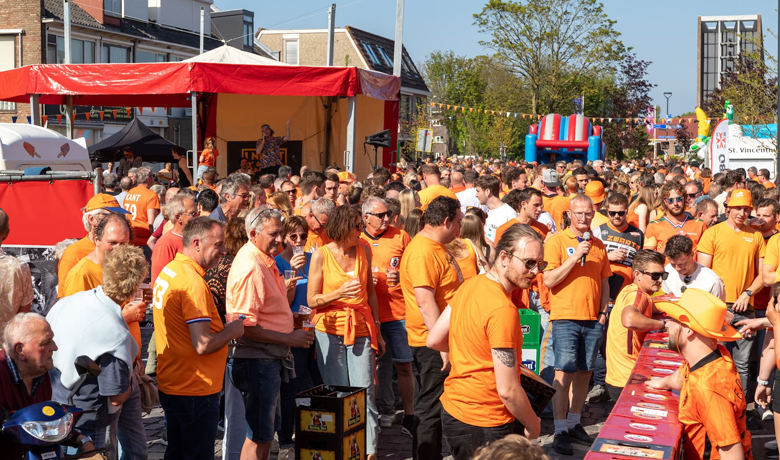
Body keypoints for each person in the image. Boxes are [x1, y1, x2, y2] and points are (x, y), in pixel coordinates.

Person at [426, 224, 543, 460]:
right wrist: (533, 425)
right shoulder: (503, 309)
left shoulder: (470, 285)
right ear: (504, 257)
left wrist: (472, 351)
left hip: (455, 410)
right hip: (487, 419)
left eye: (541, 264)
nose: (536, 271)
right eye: (529, 262)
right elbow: (507, 390)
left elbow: (435, 340)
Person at [154, 217, 245, 460]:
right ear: (196, 243)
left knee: (177, 452)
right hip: (195, 387)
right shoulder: (192, 282)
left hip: (176, 381)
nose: (224, 251)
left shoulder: (171, 270)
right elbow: (203, 344)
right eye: (218, 244)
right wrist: (233, 330)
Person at [225, 208, 313, 460]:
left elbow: (263, 310)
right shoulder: (251, 266)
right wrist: (288, 337)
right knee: (259, 435)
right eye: (274, 234)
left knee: (263, 433)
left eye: (281, 233)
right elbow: (244, 327)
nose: (281, 239)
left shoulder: (262, 258)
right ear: (253, 234)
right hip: (257, 360)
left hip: (265, 359)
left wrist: (289, 320)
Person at [48, 245, 148, 457]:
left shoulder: (70, 301)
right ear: (136, 285)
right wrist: (131, 382)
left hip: (57, 402)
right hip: (86, 416)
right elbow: (116, 397)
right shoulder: (115, 334)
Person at [308, 205, 385, 460]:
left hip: (361, 327)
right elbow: (312, 299)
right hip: (329, 330)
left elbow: (370, 293)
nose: (361, 231)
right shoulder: (321, 255)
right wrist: (338, 293)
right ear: (342, 228)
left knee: (365, 391)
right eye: (356, 226)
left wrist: (377, 328)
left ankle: (369, 452)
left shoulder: (364, 249)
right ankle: (342, 450)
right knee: (339, 392)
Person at [542, 194, 611, 455]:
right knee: (564, 372)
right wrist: (575, 256)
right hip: (565, 317)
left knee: (585, 372)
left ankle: (574, 423)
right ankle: (560, 429)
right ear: (569, 214)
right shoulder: (557, 241)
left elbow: (604, 282)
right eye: (578, 213)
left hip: (593, 318)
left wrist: (603, 312)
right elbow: (549, 280)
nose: (583, 218)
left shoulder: (598, 245)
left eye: (588, 213)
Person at [648, 289, 753, 460]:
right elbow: (683, 376)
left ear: (689, 330)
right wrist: (664, 382)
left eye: (673, 319)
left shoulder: (709, 388)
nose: (667, 324)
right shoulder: (713, 355)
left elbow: (733, 455)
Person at [399, 196, 463, 460]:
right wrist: (442, 346)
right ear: (445, 221)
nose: (460, 227)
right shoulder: (423, 252)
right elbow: (425, 303)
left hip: (441, 338)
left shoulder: (436, 246)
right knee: (430, 406)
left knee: (434, 404)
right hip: (432, 342)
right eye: (458, 222)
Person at [697, 188, 765, 417]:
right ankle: (716, 411)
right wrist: (714, 305)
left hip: (746, 309)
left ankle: (740, 413)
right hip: (717, 309)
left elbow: (762, 275)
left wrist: (747, 293)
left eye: (746, 209)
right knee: (716, 361)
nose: (741, 213)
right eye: (737, 208)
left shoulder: (755, 236)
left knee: (742, 364)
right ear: (728, 208)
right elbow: (703, 273)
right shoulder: (712, 234)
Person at [0, 313, 97, 457]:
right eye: (46, 342)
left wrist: (82, 440)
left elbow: (44, 421)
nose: (55, 347)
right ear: (20, 349)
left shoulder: (40, 373)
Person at [360, 197, 415, 435]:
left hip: (398, 313)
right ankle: (380, 413)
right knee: (373, 368)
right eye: (380, 215)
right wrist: (364, 281)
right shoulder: (357, 239)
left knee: (404, 364)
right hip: (369, 314)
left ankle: (410, 416)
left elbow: (414, 269)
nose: (386, 218)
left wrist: (401, 276)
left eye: (388, 214)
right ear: (366, 218)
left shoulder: (401, 236)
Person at [273, 216, 323, 456]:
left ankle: (318, 431)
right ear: (284, 237)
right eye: (293, 236)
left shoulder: (314, 259)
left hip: (317, 328)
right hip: (294, 330)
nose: (299, 240)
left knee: (319, 382)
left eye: (303, 235)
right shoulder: (277, 263)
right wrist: (292, 271)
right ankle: (285, 437)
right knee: (292, 386)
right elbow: (283, 302)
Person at [604, 250, 666, 400]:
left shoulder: (629, 290)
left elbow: (649, 307)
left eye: (663, 275)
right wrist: (662, 324)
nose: (660, 280)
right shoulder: (638, 295)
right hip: (628, 378)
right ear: (637, 274)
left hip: (618, 377)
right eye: (655, 276)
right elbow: (629, 320)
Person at [57, 194, 130, 298]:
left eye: (119, 216)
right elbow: (64, 298)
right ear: (91, 219)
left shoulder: (122, 246)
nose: (116, 220)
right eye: (108, 216)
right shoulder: (74, 253)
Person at [644, 182, 706, 255]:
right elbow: (647, 257)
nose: (675, 203)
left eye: (679, 199)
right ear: (665, 201)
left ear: (685, 198)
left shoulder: (700, 225)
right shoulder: (654, 226)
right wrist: (670, 245)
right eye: (671, 200)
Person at [0, 208, 33, 340]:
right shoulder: (19, 267)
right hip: (6, 345)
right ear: (7, 233)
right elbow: (23, 317)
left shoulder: (19, 267)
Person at [662, 235, 725, 299]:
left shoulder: (712, 281)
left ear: (692, 255)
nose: (677, 268)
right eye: (673, 264)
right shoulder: (667, 271)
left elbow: (718, 304)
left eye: (682, 264)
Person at [122, 166, 160, 248]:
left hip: (130, 238)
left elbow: (125, 216)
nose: (154, 178)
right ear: (148, 178)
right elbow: (151, 223)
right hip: (145, 241)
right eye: (153, 175)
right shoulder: (151, 196)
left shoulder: (129, 193)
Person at [477, 175, 517, 244]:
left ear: (487, 191)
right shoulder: (487, 211)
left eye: (478, 191)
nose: (476, 195)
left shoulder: (509, 214)